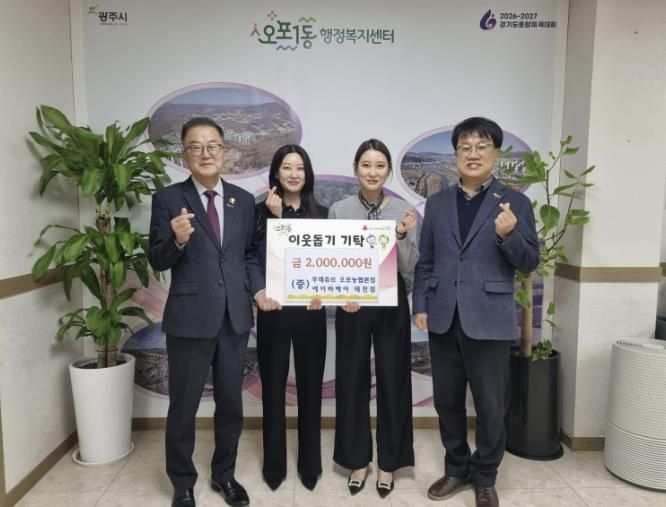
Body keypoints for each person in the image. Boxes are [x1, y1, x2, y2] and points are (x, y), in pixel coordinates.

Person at [148, 117, 278, 507]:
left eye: (212, 146)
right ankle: (183, 482)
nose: (205, 153)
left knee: (231, 404)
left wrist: (258, 290)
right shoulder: (168, 199)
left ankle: (225, 475)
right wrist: (177, 239)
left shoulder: (242, 201)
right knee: (184, 405)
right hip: (190, 317)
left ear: (225, 152)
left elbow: (247, 257)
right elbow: (157, 258)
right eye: (196, 146)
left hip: (234, 317)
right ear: (184, 154)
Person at [412, 117, 540, 507]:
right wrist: (420, 304)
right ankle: (456, 468)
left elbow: (529, 262)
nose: (473, 154)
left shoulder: (515, 203)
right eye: (465, 147)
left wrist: (508, 235)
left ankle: (485, 475)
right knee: (447, 402)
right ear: (455, 155)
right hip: (443, 316)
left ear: (495, 154)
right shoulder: (437, 204)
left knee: (490, 405)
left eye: (481, 146)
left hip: (489, 318)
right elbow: (426, 261)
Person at [328, 138, 418, 498]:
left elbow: (410, 267)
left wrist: (402, 234)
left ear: (388, 171)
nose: (373, 172)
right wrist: (342, 295)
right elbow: (331, 263)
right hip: (352, 303)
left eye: (380, 166)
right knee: (351, 378)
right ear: (355, 169)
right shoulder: (339, 210)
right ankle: (357, 460)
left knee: (394, 380)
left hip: (392, 300)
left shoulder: (403, 210)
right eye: (366, 165)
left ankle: (389, 463)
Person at [253, 145, 328, 491]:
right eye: (287, 167)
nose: (294, 173)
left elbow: (327, 263)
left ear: (307, 174)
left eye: (300, 167)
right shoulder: (260, 213)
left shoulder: (322, 214)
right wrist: (276, 218)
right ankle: (274, 466)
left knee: (311, 388)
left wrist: (325, 292)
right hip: (274, 312)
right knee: (273, 389)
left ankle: (310, 464)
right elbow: (253, 259)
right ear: (276, 173)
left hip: (311, 312)